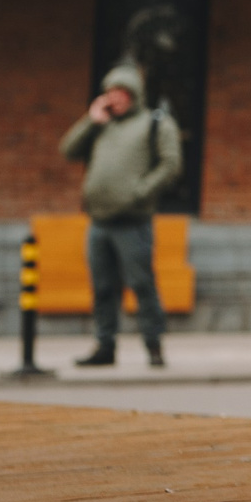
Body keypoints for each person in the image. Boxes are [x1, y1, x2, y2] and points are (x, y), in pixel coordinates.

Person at [59, 63, 182, 368]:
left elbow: (170, 164)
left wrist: (140, 193)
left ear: (134, 95)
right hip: (99, 221)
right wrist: (92, 120)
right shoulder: (103, 125)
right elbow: (68, 150)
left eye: (120, 93)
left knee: (141, 284)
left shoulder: (155, 124)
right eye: (110, 92)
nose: (114, 98)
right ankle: (105, 345)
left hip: (133, 222)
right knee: (102, 288)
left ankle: (153, 345)